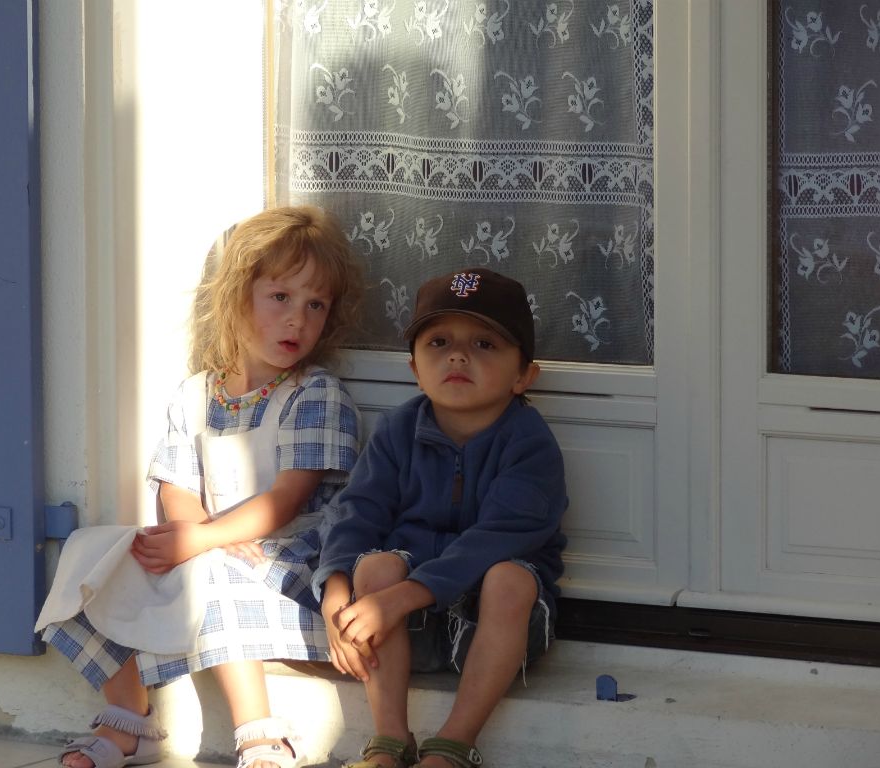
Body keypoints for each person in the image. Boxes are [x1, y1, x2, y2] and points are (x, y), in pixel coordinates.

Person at [37, 205, 364, 768]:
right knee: (91, 552)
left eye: (316, 305)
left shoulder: (315, 394)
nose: (298, 320)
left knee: (213, 571)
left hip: (291, 565)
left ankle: (258, 731)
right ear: (237, 297)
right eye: (280, 297)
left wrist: (206, 542)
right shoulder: (195, 394)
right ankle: (129, 717)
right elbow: (177, 486)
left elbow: (286, 498)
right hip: (214, 546)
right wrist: (192, 536)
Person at [312, 269, 568, 768]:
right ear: (415, 368)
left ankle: (454, 744)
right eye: (439, 342)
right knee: (375, 567)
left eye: (484, 344)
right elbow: (356, 511)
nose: (457, 356)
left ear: (523, 376)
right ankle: (389, 740)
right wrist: (335, 591)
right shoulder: (398, 430)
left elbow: (497, 538)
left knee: (510, 579)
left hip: (492, 630)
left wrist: (398, 598)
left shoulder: (530, 443)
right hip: (407, 631)